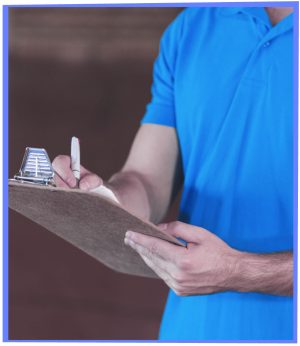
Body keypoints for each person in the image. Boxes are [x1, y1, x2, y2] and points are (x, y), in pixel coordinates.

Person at [53, 6, 294, 341]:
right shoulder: (193, 26)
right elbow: (146, 180)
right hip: (191, 330)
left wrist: (241, 271)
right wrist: (105, 199)